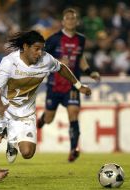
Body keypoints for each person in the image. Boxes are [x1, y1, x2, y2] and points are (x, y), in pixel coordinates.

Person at [0, 30, 92, 186]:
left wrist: (79, 86)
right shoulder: (9, 62)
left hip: (25, 112)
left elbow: (62, 68)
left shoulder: (46, 60)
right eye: (37, 48)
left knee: (27, 153)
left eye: (42, 49)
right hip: (3, 107)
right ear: (25, 47)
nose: (40, 53)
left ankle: (11, 138)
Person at [37, 8, 100, 162]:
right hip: (54, 84)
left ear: (77, 21)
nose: (71, 20)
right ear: (63, 22)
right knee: (50, 118)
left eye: (74, 18)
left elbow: (80, 57)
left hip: (73, 84)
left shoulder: (81, 39)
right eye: (68, 18)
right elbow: (42, 57)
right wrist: (58, 60)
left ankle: (73, 149)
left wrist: (89, 71)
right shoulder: (53, 39)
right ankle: (44, 118)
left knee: (73, 113)